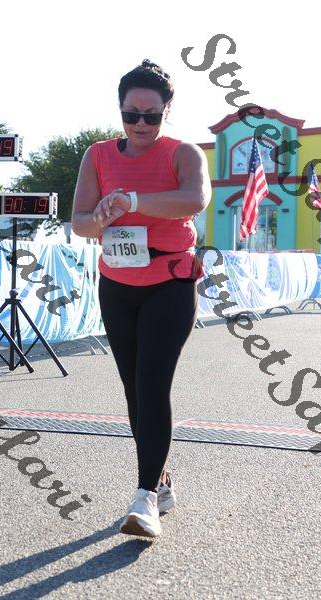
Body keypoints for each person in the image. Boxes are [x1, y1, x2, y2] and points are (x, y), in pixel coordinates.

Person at [71, 59, 211, 538]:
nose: (141, 124)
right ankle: (161, 479)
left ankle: (145, 497)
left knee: (152, 384)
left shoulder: (183, 153)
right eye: (132, 114)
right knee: (133, 389)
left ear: (167, 111)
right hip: (116, 284)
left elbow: (194, 199)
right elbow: (80, 222)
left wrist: (132, 201)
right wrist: (100, 217)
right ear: (121, 111)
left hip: (170, 282)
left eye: (152, 115)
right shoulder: (97, 155)